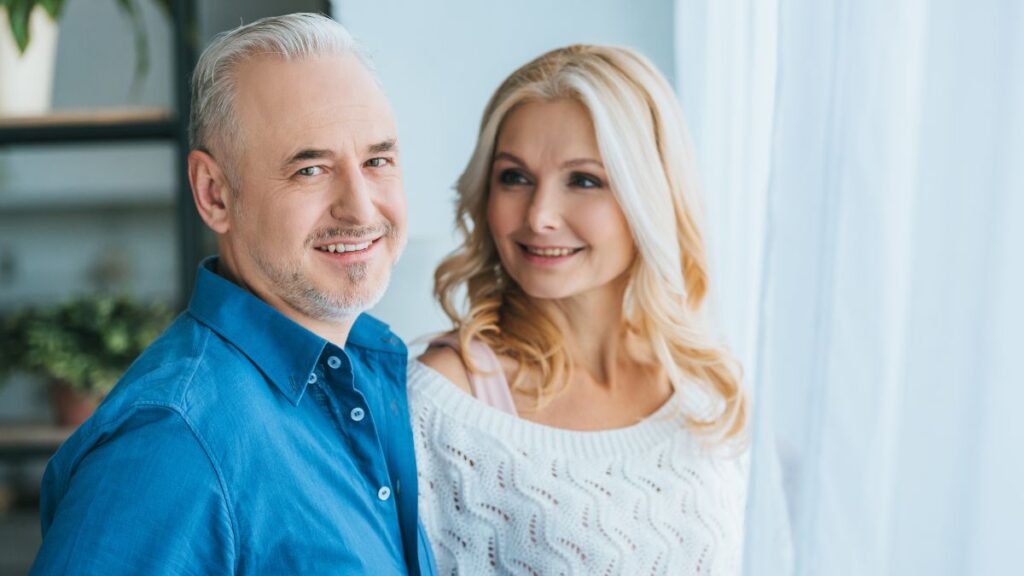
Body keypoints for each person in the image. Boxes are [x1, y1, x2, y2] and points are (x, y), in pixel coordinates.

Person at [30, 13, 435, 575]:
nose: (362, 208)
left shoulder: (368, 365)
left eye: (377, 161)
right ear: (214, 193)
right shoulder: (171, 443)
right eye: (311, 169)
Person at [409, 44, 749, 574]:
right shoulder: (444, 400)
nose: (540, 215)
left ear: (649, 196)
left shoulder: (703, 384)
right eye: (514, 177)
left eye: (584, 180)